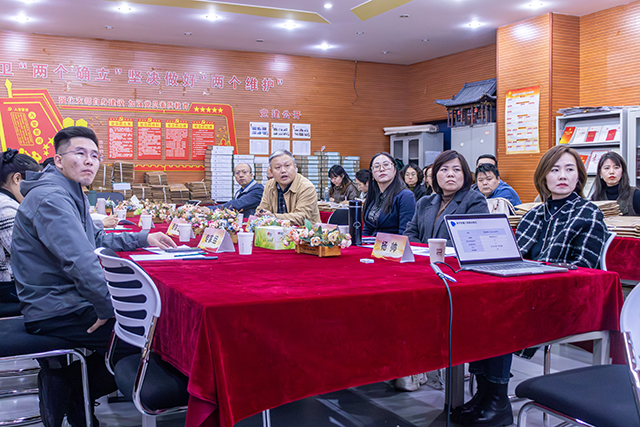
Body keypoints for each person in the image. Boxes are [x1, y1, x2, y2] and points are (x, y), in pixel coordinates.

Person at [12, 126, 177, 427]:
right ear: (58, 160)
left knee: (147, 323)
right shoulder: (51, 198)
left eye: (95, 155)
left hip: (65, 298)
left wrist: (144, 238)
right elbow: (81, 262)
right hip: (56, 307)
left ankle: (74, 391)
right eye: (80, 153)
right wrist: (108, 307)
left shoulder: (68, 190)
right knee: (154, 337)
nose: (89, 161)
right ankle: (70, 386)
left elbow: (95, 238)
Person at [452, 145, 608, 427]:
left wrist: (535, 270)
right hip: (526, 294)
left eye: (569, 169)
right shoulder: (533, 214)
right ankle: (484, 393)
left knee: (500, 311)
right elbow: (511, 256)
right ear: (543, 176)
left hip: (565, 298)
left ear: (579, 177)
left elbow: (584, 268)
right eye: (555, 169)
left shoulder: (589, 213)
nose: (562, 175)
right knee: (481, 303)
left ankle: (497, 400)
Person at [404, 150, 488, 246]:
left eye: (456, 169)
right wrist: (423, 250)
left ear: (465, 174)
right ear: (435, 175)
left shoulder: (475, 201)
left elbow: (471, 239)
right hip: (422, 254)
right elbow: (410, 233)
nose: (450, 174)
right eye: (444, 169)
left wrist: (434, 250)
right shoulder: (424, 202)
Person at [0, 149, 40, 317]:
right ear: (17, 179)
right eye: (34, 184)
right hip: (8, 287)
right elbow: (27, 255)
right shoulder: (6, 208)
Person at [256, 149, 321, 226]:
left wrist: (274, 217)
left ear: (295, 167)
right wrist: (261, 213)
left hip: (305, 231)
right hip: (276, 231)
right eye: (277, 167)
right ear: (271, 171)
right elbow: (262, 209)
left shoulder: (306, 187)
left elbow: (302, 217)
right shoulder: (269, 185)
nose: (283, 171)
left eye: (287, 166)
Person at [363, 152, 416, 236]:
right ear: (372, 173)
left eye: (386, 165)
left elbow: (405, 232)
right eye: (376, 166)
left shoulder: (405, 196)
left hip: (392, 243)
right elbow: (367, 229)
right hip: (371, 242)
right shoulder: (374, 196)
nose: (381, 169)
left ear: (395, 170)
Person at [591, 151, 640, 215]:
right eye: (607, 168)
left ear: (622, 171)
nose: (611, 172)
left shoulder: (636, 195)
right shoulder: (596, 197)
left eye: (616, 167)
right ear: (600, 173)